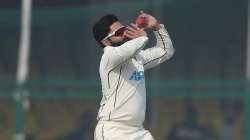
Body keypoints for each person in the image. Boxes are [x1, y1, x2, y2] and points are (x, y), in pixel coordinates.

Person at [92, 11, 175, 140]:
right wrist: (142, 37)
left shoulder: (138, 58)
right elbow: (130, 48)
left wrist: (156, 27)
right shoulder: (109, 57)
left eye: (124, 29)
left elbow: (166, 51)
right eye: (119, 33)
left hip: (138, 131)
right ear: (106, 42)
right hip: (113, 130)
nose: (125, 33)